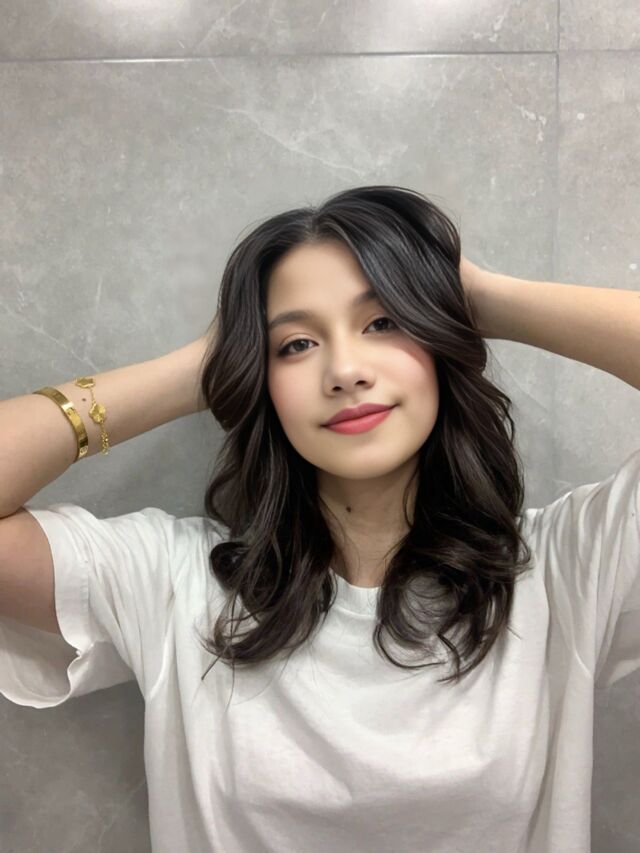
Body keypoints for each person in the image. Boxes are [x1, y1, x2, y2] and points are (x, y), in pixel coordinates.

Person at [1, 184, 638, 853]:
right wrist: (211, 364)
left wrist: (476, 299)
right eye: (297, 344)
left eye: (383, 322)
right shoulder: (172, 583)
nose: (345, 370)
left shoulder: (561, 572)